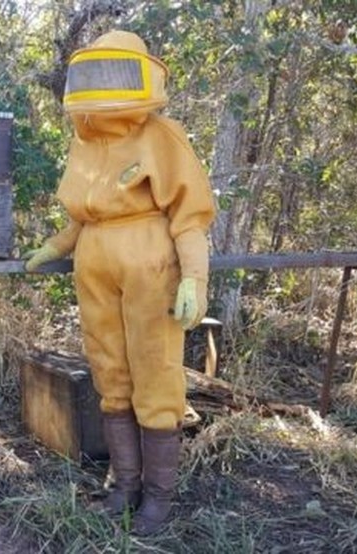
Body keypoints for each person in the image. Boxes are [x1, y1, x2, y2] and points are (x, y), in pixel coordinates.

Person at [24, 30, 216, 536]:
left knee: (155, 374)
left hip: (150, 262)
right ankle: (123, 486)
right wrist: (56, 246)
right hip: (95, 266)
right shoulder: (84, 138)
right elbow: (84, 213)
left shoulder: (160, 134)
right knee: (111, 376)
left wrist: (194, 277)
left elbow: (189, 216)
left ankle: (158, 497)